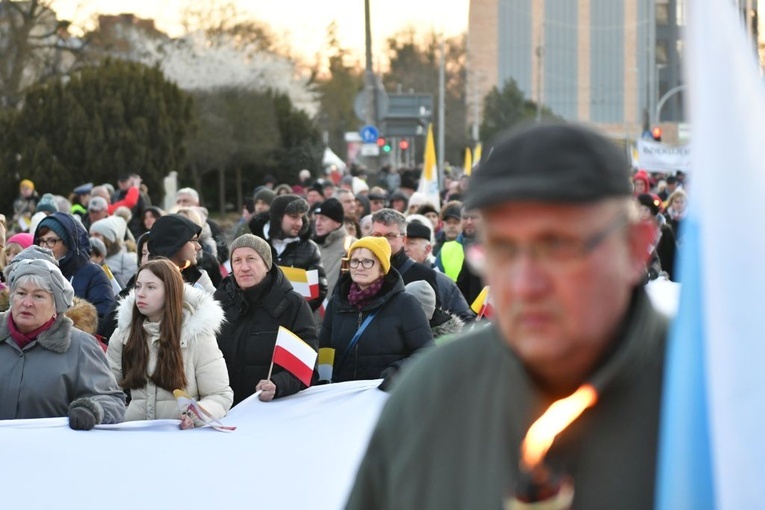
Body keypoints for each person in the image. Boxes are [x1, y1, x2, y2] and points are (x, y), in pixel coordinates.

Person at [345, 123, 665, 509]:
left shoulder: (711, 402)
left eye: (558, 246)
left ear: (636, 245)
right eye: (502, 248)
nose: (526, 285)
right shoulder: (429, 398)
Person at [0, 253, 125, 428]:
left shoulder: (80, 345)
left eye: (38, 296)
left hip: (51, 452)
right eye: (21, 293)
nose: (27, 303)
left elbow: (112, 400)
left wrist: (91, 410)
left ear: (56, 306)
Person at [107, 259, 232, 421]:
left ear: (170, 291)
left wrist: (196, 415)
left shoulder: (198, 335)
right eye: (138, 286)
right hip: (133, 436)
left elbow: (220, 395)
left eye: (151, 287)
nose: (140, 293)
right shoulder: (123, 334)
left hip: (180, 437)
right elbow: (105, 390)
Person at [215, 235, 317, 405]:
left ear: (267, 264)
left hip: (270, 410)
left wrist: (278, 384)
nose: (244, 267)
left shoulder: (292, 305)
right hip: (223, 410)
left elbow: (308, 367)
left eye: (251, 259)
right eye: (237, 260)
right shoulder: (218, 303)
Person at [319, 237, 433, 387]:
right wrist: (322, 379)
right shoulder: (337, 302)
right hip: (342, 396)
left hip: (383, 396)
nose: (359, 267)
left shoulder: (405, 304)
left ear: (382, 268)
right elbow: (324, 349)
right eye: (354, 261)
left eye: (367, 261)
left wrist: (397, 372)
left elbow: (426, 352)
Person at [249, 194, 328, 312]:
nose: (299, 223)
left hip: (293, 324)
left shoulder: (309, 248)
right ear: (278, 217)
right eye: (294, 217)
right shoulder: (253, 244)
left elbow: (319, 289)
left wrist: (294, 314)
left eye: (301, 217)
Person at [34, 212, 115, 323]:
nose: (44, 247)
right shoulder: (34, 272)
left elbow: (104, 319)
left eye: (51, 240)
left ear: (69, 243)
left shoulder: (93, 274)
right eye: (41, 241)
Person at [147, 214, 216, 293]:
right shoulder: (145, 282)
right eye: (193, 240)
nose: (199, 247)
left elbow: (218, 304)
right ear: (175, 243)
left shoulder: (198, 278)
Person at [313, 198, 356, 304]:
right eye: (316, 218)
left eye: (323, 219)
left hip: (336, 310)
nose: (317, 223)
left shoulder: (352, 246)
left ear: (337, 222)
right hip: (311, 311)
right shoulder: (311, 245)